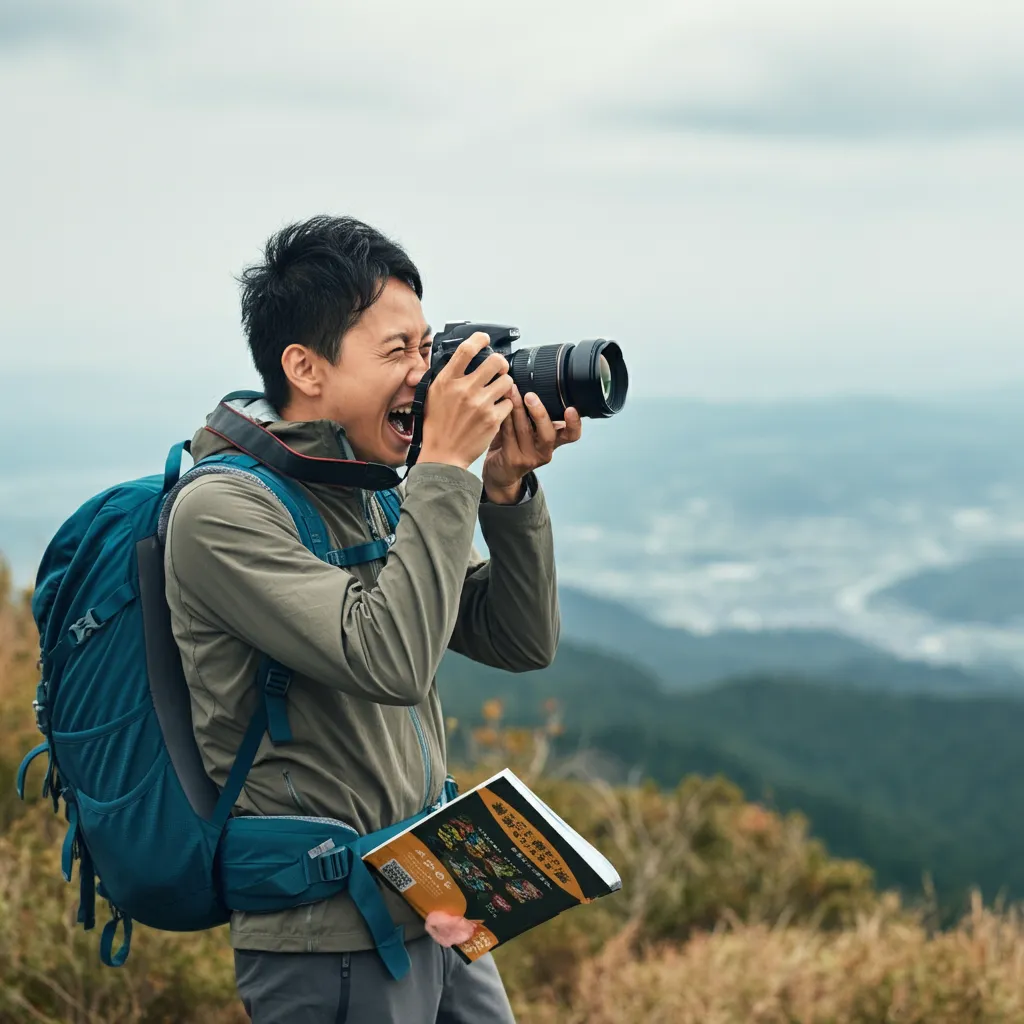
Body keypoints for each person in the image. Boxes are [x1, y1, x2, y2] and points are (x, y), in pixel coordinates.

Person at [162, 215, 581, 1023]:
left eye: (426, 350)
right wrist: (445, 470)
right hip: (330, 939)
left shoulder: (373, 486)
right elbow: (390, 661)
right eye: (398, 354)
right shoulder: (223, 510)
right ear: (305, 369)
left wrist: (504, 493)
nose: (425, 378)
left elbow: (519, 639)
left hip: (433, 898)